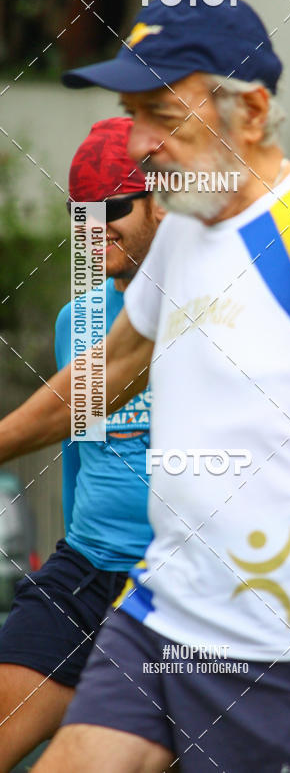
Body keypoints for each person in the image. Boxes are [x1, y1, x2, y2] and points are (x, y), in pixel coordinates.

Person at [0, 0, 290, 772]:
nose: (139, 145)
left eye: (162, 116)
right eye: (130, 114)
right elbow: (105, 372)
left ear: (252, 109)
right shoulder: (182, 234)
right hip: (163, 611)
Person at [0, 118, 162, 772]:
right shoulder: (81, 319)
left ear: (161, 203)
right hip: (88, 567)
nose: (96, 227)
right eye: (81, 212)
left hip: (179, 581)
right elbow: (76, 445)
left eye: (113, 208)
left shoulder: (216, 303)